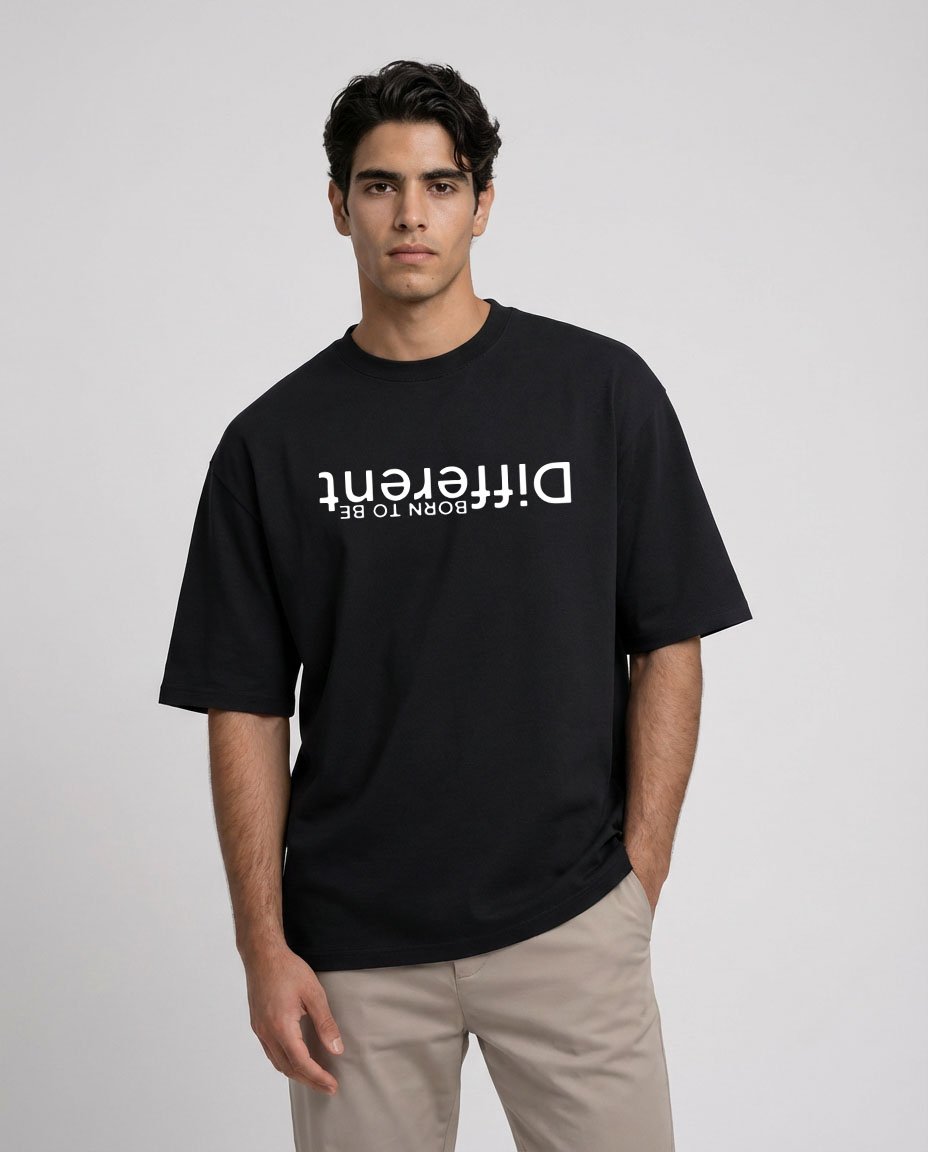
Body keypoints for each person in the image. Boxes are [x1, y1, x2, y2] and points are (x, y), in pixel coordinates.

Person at [158, 58, 752, 1152]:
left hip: (569, 920)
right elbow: (243, 701)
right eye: (380, 185)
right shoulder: (270, 444)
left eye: (440, 184)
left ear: (482, 204)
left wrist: (638, 875)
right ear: (338, 204)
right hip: (352, 949)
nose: (410, 214)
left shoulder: (598, 392)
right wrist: (262, 945)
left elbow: (670, 636)